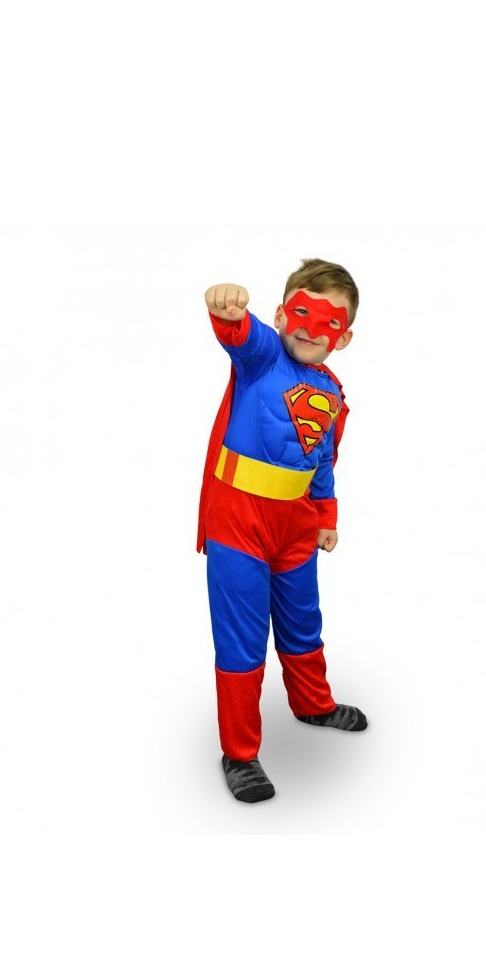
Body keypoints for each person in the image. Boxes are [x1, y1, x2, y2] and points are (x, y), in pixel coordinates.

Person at [197, 258, 368, 803]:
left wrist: (326, 518)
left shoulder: (332, 392)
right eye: (301, 312)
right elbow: (238, 336)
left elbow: (323, 462)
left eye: (329, 322)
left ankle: (313, 704)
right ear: (279, 314)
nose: (310, 329)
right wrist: (227, 310)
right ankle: (240, 754)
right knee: (242, 639)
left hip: (296, 526)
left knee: (302, 622)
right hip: (239, 522)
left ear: (343, 337)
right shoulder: (264, 355)